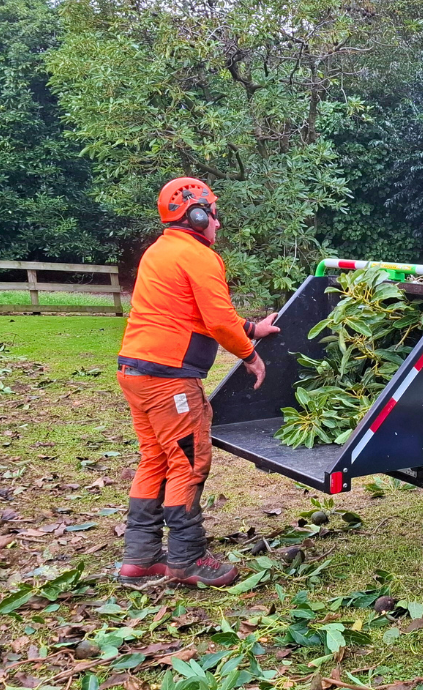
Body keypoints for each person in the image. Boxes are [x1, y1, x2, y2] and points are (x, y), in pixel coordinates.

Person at [114, 177, 280, 587]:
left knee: (155, 458)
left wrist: (253, 328)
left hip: (135, 372)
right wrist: (250, 355)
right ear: (198, 215)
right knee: (189, 463)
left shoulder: (160, 250)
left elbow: (198, 312)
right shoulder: (199, 255)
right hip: (169, 379)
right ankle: (187, 559)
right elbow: (219, 322)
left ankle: (139, 558)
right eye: (214, 215)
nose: (218, 224)